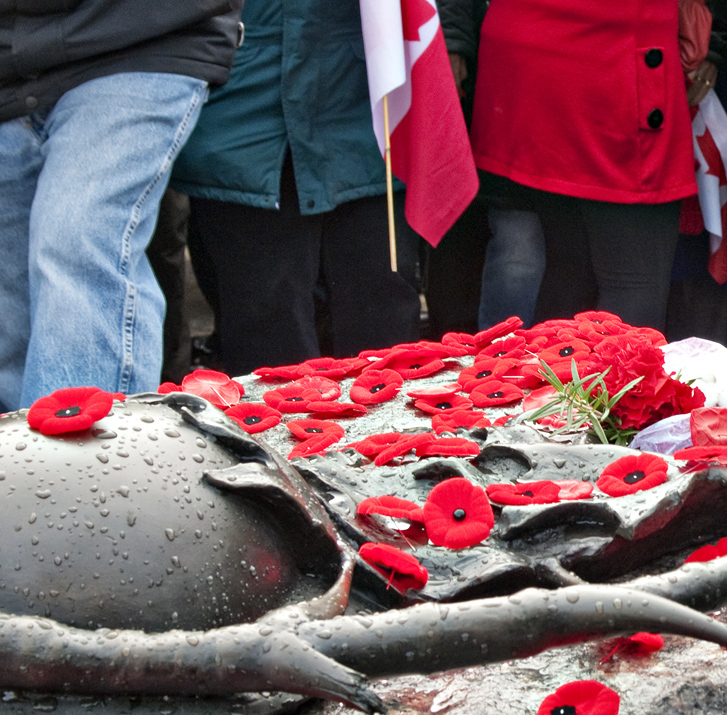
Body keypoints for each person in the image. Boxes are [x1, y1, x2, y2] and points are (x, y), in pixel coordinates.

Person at [0, 0, 243, 411]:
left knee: (78, 237)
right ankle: (23, 464)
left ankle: (80, 463)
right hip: (11, 62)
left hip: (140, 39)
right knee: (9, 288)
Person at [170, 0, 422, 377]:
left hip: (367, 107)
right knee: (269, 334)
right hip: (242, 118)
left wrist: (449, 41)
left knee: (382, 324)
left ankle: (394, 436)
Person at [466, 1, 698, 331]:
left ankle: (554, 382)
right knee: (631, 280)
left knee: (568, 268)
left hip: (530, 51)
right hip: (609, 55)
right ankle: (612, 384)